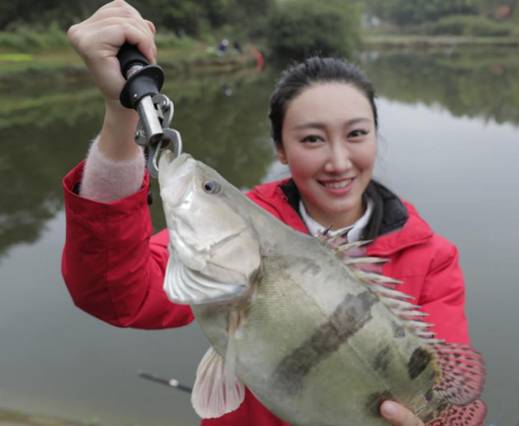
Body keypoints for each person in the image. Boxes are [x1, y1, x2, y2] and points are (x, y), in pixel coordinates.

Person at [62, 1, 472, 425]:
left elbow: (454, 402)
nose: (337, 161)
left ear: (376, 135)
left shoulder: (433, 258)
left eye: (356, 134)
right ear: (280, 148)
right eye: (312, 139)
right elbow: (112, 292)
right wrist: (120, 115)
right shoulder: (243, 225)